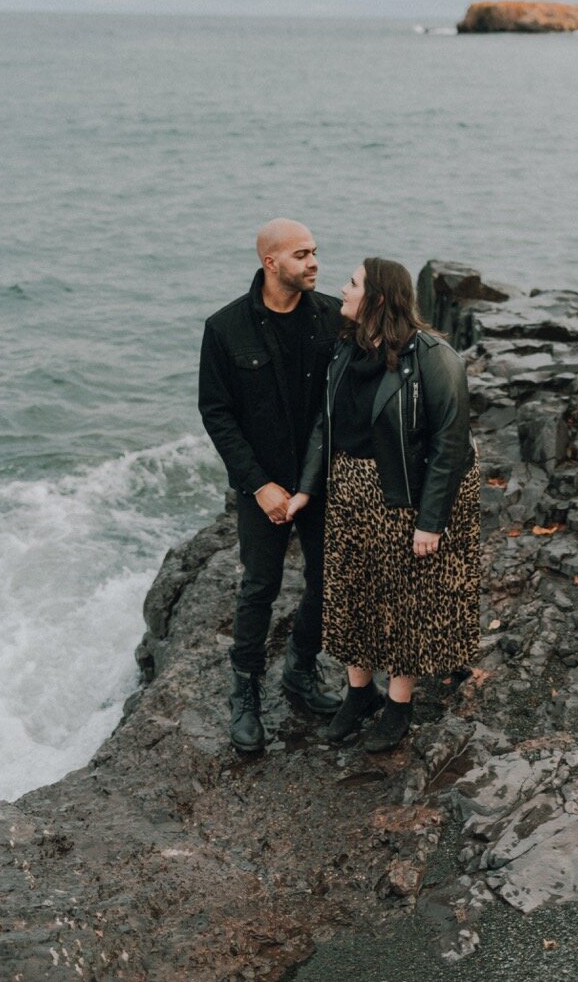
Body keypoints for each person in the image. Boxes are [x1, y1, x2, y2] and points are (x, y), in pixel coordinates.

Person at [292, 257, 481, 753]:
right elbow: (323, 425)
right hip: (349, 490)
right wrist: (308, 488)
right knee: (350, 592)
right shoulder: (345, 349)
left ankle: (399, 704)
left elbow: (451, 444)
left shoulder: (435, 358)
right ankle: (360, 694)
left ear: (377, 298)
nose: (343, 290)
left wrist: (430, 522)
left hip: (406, 491)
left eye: (352, 284)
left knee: (404, 600)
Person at [197, 218, 346, 754]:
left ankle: (300, 672)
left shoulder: (332, 316)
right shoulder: (225, 328)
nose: (313, 263)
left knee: (328, 582)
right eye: (302, 254)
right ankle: (246, 694)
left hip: (322, 480)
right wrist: (259, 486)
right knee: (259, 587)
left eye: (315, 252)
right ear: (271, 262)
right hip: (262, 486)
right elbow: (216, 413)